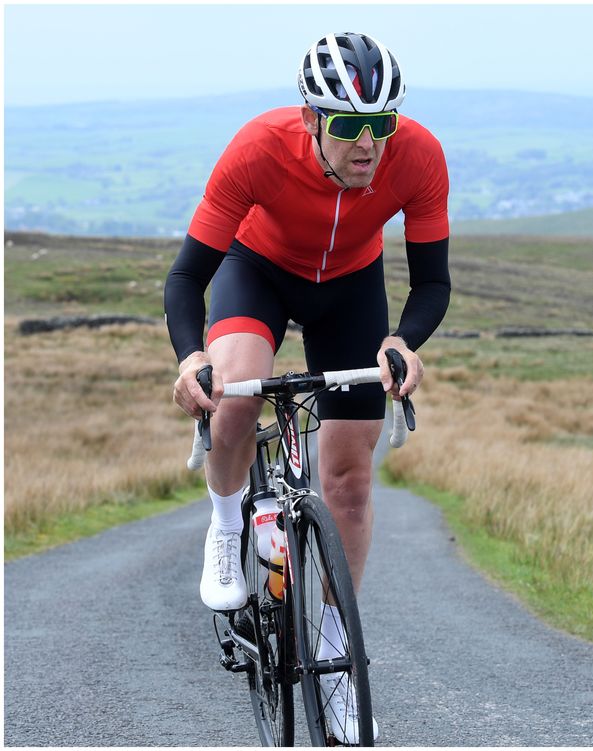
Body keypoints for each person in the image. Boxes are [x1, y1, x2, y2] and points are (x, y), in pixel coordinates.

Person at [165, 33, 448, 743]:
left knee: (348, 480)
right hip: (256, 270)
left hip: (350, 288)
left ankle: (331, 646)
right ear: (311, 118)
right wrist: (188, 358)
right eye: (350, 125)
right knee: (233, 394)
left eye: (381, 124)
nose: (369, 144)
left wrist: (399, 342)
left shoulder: (419, 155)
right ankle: (228, 526)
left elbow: (432, 280)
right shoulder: (257, 148)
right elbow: (185, 278)